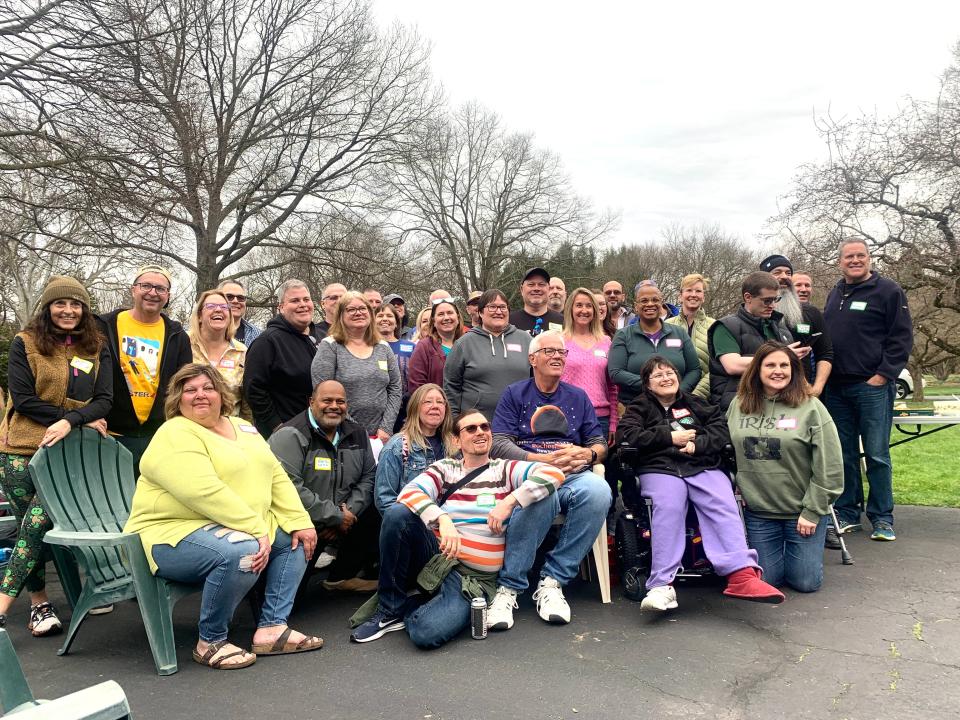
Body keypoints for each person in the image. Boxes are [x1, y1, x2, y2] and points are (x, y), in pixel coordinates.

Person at [124, 364, 320, 669]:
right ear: (178, 398)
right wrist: (256, 529)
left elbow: (275, 474)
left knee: (295, 539)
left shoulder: (243, 427)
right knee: (243, 550)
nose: (200, 395)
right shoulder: (175, 432)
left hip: (233, 526)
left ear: (221, 393)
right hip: (170, 536)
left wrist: (300, 520)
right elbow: (202, 490)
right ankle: (210, 640)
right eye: (190, 390)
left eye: (208, 387)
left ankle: (272, 628)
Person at [349, 410, 564, 646]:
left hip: (472, 579)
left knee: (425, 633)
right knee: (397, 513)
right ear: (455, 440)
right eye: (471, 429)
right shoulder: (446, 468)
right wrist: (442, 519)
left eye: (485, 427)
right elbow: (408, 494)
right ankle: (390, 610)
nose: (480, 432)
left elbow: (553, 473)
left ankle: (416, 601)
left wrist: (509, 501)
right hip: (437, 557)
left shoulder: (505, 469)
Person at [616, 356, 783, 611]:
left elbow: (720, 431)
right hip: (660, 469)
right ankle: (662, 584)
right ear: (648, 385)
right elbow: (627, 436)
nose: (666, 378)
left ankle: (741, 575)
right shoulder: (638, 408)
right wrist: (669, 438)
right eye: (658, 375)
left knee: (723, 501)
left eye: (670, 372)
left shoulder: (696, 404)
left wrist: (699, 445)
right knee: (668, 506)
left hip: (701, 464)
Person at [0, 276, 113, 636]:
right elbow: (23, 399)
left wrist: (71, 423)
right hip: (19, 450)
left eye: (76, 304)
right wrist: (71, 419)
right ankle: (39, 604)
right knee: (25, 529)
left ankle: (1, 607)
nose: (68, 311)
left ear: (85, 310)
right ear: (47, 307)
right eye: (60, 304)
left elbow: (104, 400)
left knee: (35, 525)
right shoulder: (26, 343)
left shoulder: (96, 346)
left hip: (65, 455)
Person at [487, 330, 611, 629]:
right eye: (550, 351)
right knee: (543, 492)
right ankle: (510, 587)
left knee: (599, 491)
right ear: (533, 359)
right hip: (530, 471)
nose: (558, 356)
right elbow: (499, 443)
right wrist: (542, 460)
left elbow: (599, 443)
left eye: (562, 352)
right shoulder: (515, 394)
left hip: (573, 474)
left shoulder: (578, 397)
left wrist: (587, 455)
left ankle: (552, 581)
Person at [727, 342, 843, 591]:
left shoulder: (811, 407)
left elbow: (830, 465)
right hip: (758, 514)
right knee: (766, 580)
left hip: (801, 514)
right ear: (757, 370)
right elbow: (724, 452)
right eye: (770, 365)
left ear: (794, 370)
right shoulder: (738, 405)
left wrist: (813, 510)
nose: (777, 370)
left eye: (784, 365)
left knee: (805, 582)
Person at [822, 238, 913, 541]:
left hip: (871, 387)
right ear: (840, 261)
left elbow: (901, 338)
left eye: (861, 255)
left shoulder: (888, 291)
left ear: (870, 259)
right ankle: (848, 512)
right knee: (845, 454)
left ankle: (882, 517)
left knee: (876, 454)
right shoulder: (836, 293)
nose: (855, 260)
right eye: (849, 256)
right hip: (837, 389)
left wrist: (884, 375)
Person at [268, 381, 378, 592]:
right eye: (327, 400)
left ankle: (342, 575)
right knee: (290, 600)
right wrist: (334, 516)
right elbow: (287, 487)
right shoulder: (289, 435)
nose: (334, 406)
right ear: (311, 402)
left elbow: (369, 477)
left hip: (342, 518)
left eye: (340, 401)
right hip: (301, 524)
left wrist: (347, 514)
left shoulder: (358, 433)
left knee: (381, 508)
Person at [98, 264, 192, 474]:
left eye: (160, 288)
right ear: (133, 290)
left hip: (156, 436)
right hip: (110, 434)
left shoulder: (177, 336)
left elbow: (185, 384)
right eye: (146, 286)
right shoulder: (103, 326)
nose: (152, 292)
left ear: (167, 296)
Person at [707, 271, 808, 412]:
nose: (772, 305)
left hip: (778, 404)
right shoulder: (726, 326)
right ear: (748, 297)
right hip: (739, 405)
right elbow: (733, 365)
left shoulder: (779, 326)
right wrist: (784, 355)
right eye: (767, 300)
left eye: (775, 300)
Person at [310, 292, 402, 447]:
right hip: (342, 436)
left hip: (381, 438)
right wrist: (356, 431)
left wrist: (385, 428)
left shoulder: (383, 347)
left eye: (363, 308)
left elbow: (395, 388)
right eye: (351, 309)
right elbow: (323, 393)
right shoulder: (330, 347)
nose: (358, 313)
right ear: (340, 315)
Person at [243, 280, 324, 438]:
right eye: (295, 300)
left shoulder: (323, 338)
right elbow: (253, 389)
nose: (303, 304)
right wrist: (277, 426)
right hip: (287, 434)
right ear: (280, 307)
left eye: (306, 299)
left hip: (321, 430)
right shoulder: (267, 342)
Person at [443, 289, 532, 421]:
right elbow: (451, 386)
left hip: (520, 421)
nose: (498, 311)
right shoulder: (464, 343)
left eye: (503, 307)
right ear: (480, 312)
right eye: (492, 307)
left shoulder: (526, 340)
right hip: (477, 426)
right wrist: (454, 421)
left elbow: (538, 379)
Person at [608, 280, 700, 407]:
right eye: (644, 301)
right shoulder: (623, 335)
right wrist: (653, 385)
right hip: (636, 407)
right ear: (636, 306)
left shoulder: (679, 333)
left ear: (661, 303)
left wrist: (677, 392)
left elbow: (694, 370)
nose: (650, 304)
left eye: (655, 300)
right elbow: (616, 372)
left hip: (677, 405)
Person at [374, 383, 455, 513]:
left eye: (440, 402)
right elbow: (385, 500)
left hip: (449, 528)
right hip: (412, 527)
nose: (435, 406)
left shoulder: (455, 447)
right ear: (415, 408)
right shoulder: (397, 446)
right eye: (428, 402)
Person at [760, 255, 834, 396]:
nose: (785, 277)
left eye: (788, 273)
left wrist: (817, 388)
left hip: (801, 392)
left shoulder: (811, 312)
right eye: (777, 272)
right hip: (763, 394)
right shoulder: (755, 314)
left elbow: (825, 352)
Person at [561, 288, 618, 442]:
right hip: (566, 417)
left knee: (599, 465)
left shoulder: (606, 342)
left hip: (600, 420)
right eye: (579, 305)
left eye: (588, 306)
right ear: (570, 309)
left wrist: (613, 422)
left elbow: (612, 387)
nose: (584, 310)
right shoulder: (559, 341)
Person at [188, 289, 250, 419]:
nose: (218, 310)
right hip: (189, 428)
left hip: (229, 430)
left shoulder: (242, 352)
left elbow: (247, 403)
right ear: (199, 315)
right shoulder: (184, 345)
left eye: (224, 307)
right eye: (211, 306)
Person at [665, 273, 714, 399]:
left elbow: (717, 367)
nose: (693, 294)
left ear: (703, 297)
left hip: (704, 399)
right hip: (670, 396)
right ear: (680, 296)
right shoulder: (666, 326)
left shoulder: (715, 326)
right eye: (689, 290)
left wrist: (697, 395)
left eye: (698, 291)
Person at [407, 297, 465, 395]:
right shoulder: (424, 347)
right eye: (441, 314)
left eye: (450, 313)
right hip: (437, 407)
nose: (446, 318)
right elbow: (417, 386)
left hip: (466, 408)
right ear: (433, 321)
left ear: (458, 318)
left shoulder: (467, 344)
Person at [375, 303, 415, 406]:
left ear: (396, 323)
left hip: (406, 408)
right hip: (377, 408)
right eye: (380, 316)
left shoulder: (411, 347)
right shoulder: (367, 348)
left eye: (389, 316)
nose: (384, 319)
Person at [509, 267, 563, 335]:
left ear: (548, 289)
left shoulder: (563, 322)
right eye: (531, 284)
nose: (536, 288)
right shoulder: (509, 322)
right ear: (521, 289)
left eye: (541, 284)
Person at [218, 279, 260, 346]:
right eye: (229, 297)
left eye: (240, 298)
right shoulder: (202, 333)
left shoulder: (258, 335)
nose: (235, 301)